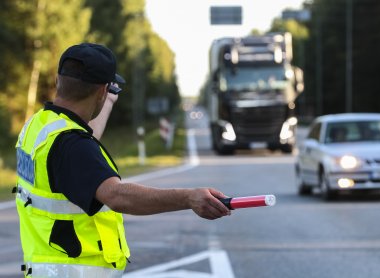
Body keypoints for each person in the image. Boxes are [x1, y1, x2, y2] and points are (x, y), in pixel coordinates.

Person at [14, 43, 231, 278]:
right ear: (101, 90)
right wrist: (188, 198)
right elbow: (116, 195)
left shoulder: (39, 127)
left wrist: (106, 102)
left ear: (58, 81)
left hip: (46, 268)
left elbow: (82, 148)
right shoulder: (72, 145)